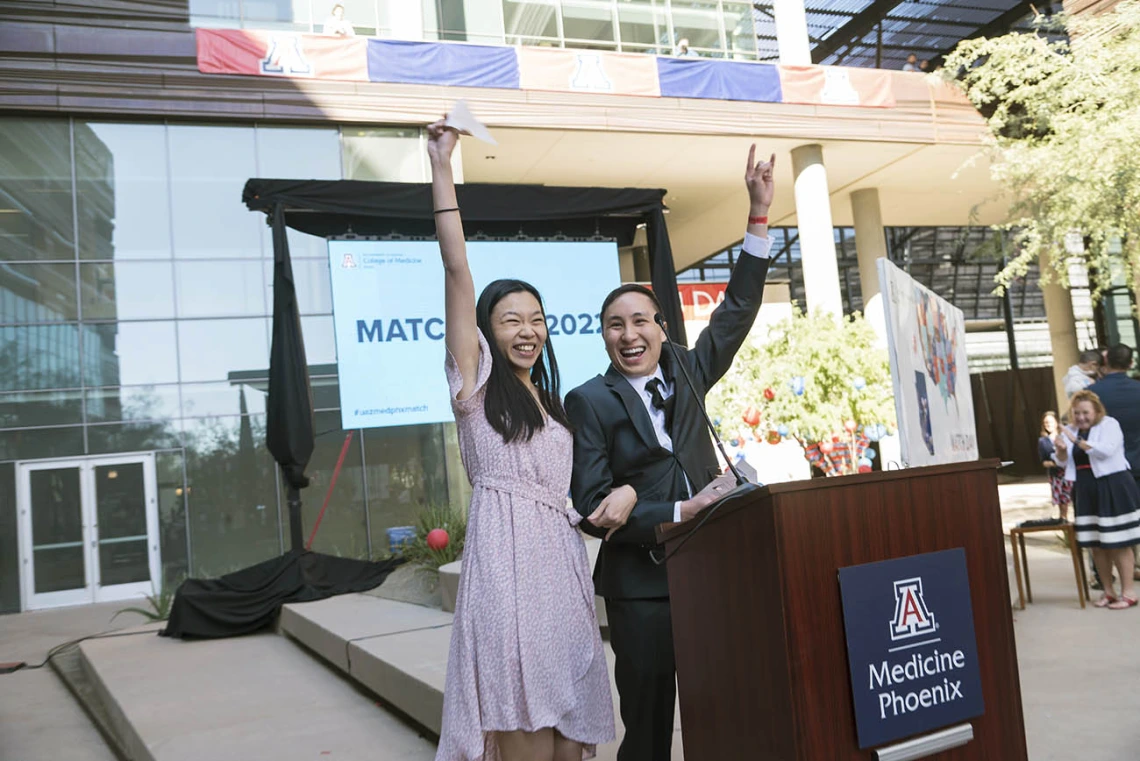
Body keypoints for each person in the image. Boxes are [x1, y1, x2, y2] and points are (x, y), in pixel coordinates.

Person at [566, 144, 777, 761]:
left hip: (715, 569)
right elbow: (591, 504)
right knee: (651, 728)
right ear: (604, 337)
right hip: (642, 588)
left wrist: (758, 214)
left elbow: (736, 311)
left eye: (640, 321)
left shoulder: (688, 369)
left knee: (725, 708)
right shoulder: (589, 401)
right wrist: (679, 509)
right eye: (614, 325)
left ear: (662, 326)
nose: (629, 335)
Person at [427, 117, 614, 761]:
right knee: (525, 735)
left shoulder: (555, 406)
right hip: (505, 576)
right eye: (511, 320)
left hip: (562, 575)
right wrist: (442, 165)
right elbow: (457, 268)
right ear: (486, 330)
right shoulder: (475, 387)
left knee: (572, 744)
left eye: (536, 319)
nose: (527, 329)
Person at [1053, 390, 1140, 609]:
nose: (1081, 417)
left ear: (1096, 411)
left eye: (1085, 413)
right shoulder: (1070, 430)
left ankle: (1128, 592)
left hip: (1112, 485)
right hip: (1085, 488)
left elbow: (1106, 451)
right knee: (1096, 545)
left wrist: (1076, 441)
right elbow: (1062, 463)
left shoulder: (1109, 424)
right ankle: (1108, 592)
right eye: (1077, 413)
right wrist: (1061, 449)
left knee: (1119, 542)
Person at [1088, 343, 1140, 576]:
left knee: (1108, 522)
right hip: (1138, 464)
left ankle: (1104, 576)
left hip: (1106, 468)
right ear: (1131, 364)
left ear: (1106, 363)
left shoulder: (1094, 394)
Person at [1038, 411, 1072, 521]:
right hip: (1055, 475)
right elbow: (1043, 462)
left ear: (1056, 423)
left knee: (1071, 498)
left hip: (1069, 473)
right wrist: (1055, 463)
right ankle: (1063, 521)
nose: (1048, 425)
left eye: (1050, 422)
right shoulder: (1043, 441)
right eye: (1045, 423)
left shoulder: (1065, 436)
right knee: (1061, 501)